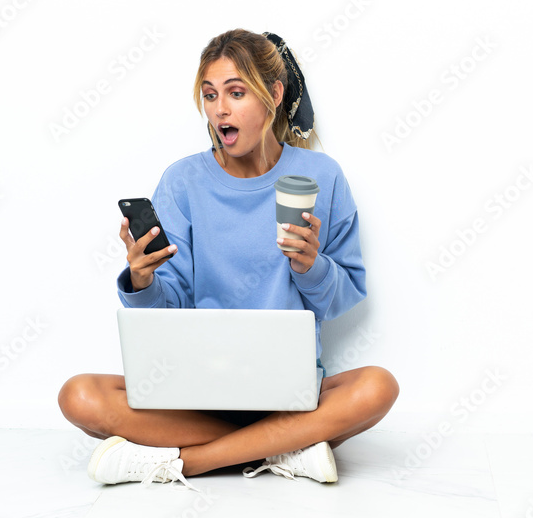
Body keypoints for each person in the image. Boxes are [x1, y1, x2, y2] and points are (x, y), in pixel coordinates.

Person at [57, 29, 399, 488]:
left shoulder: (321, 176)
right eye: (210, 94)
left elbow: (343, 298)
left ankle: (187, 461)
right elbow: (166, 312)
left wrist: (310, 266)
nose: (220, 109)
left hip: (288, 394)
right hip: (195, 393)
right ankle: (283, 448)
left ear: (274, 94)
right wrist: (142, 281)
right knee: (78, 395)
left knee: (378, 386)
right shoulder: (182, 182)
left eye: (236, 93)